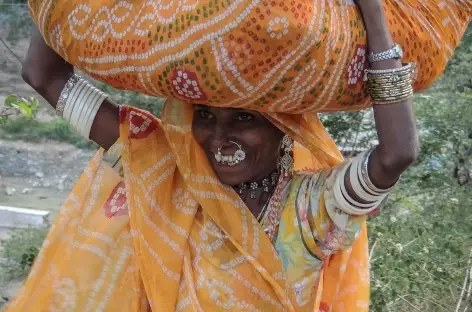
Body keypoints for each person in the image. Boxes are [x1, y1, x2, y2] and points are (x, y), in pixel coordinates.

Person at [7, 0, 420, 311]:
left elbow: (396, 155)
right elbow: (44, 76)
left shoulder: (313, 209)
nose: (220, 137)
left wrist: (375, 24)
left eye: (243, 118)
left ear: (286, 127)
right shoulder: (164, 171)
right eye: (204, 116)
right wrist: (65, 10)